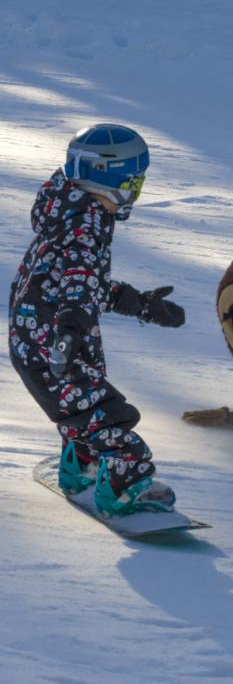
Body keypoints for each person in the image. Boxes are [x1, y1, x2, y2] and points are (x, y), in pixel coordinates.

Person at [9, 123, 185, 516]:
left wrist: (139, 304)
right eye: (133, 186)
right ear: (107, 180)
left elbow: (79, 282)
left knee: (84, 413)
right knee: (112, 420)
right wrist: (69, 335)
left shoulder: (67, 209)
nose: (134, 197)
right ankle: (125, 491)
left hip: (36, 339)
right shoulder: (85, 226)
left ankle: (81, 469)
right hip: (57, 346)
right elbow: (78, 287)